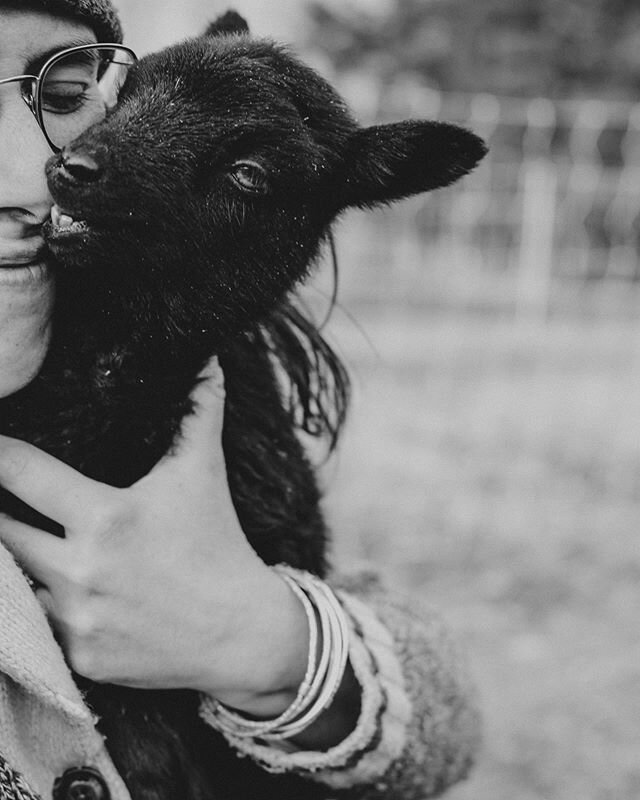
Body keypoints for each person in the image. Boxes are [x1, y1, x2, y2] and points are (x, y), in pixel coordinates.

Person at [0, 1, 480, 798]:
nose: (41, 173)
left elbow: (444, 718)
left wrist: (272, 646)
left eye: (62, 93)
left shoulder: (213, 377)